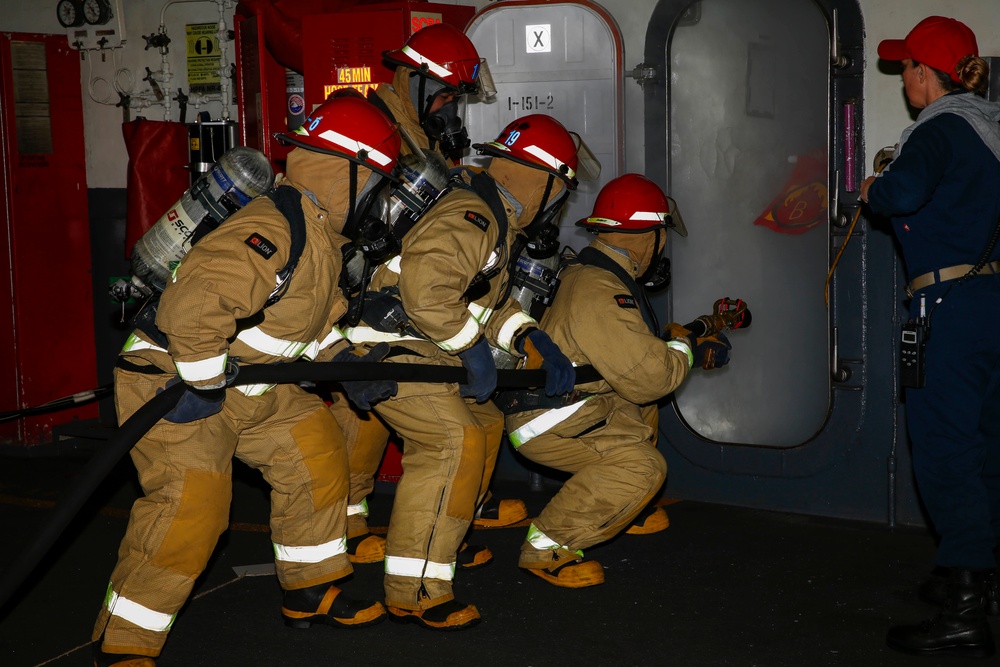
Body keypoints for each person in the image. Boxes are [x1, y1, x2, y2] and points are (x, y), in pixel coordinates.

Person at [91, 96, 402, 666]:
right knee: (193, 506)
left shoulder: (317, 233)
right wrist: (203, 388)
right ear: (347, 171)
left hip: (246, 383)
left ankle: (310, 586)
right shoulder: (272, 225)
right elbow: (195, 309)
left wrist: (346, 365)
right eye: (375, 185)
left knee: (316, 452)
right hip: (175, 382)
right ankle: (123, 643)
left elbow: (308, 321)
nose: (379, 202)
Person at [342, 113, 591, 629]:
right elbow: (428, 292)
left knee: (485, 424)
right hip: (392, 346)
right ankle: (415, 587)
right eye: (560, 189)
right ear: (543, 181)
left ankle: (445, 536)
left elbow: (482, 301)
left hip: (425, 346)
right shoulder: (474, 212)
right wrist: (471, 348)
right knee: (450, 441)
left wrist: (527, 336)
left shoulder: (491, 211)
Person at [331, 23, 528, 569]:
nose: (450, 109)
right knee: (358, 421)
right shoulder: (369, 122)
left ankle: (446, 522)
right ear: (414, 82)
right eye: (444, 95)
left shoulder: (417, 135)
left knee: (379, 416)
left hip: (400, 300)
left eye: (454, 99)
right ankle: (341, 530)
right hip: (351, 295)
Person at [497, 173, 737, 587]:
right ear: (647, 236)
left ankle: (623, 506)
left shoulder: (599, 273)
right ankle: (547, 546)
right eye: (660, 234)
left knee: (641, 411)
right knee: (642, 468)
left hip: (572, 404)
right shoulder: (600, 289)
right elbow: (650, 377)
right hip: (550, 419)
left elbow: (630, 355)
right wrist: (688, 352)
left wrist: (679, 345)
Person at [860, 15, 1000, 660]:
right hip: (990, 301)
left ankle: (967, 607)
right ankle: (974, 577)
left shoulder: (940, 129)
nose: (902, 77)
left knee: (945, 448)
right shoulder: (990, 128)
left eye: (905, 67)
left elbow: (904, 193)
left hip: (947, 304)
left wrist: (874, 188)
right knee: (986, 446)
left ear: (925, 73)